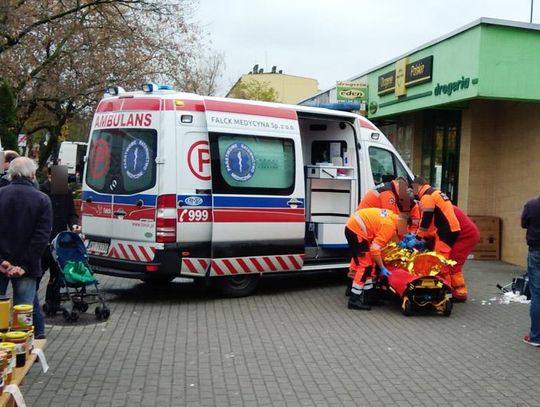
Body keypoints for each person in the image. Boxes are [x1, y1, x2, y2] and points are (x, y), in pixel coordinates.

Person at [0, 158, 52, 337]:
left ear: (11, 174)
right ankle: (26, 348)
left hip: (1, 264)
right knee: (23, 313)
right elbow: (41, 238)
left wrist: (2, 261)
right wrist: (23, 266)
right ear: (32, 174)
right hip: (27, 267)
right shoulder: (42, 199)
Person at [344, 207, 407, 310]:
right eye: (406, 229)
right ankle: (354, 300)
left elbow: (391, 236)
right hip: (356, 231)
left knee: (370, 265)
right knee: (365, 267)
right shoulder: (389, 225)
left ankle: (368, 297)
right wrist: (382, 267)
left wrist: (400, 242)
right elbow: (375, 249)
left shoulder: (392, 217)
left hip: (355, 228)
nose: (405, 232)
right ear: (403, 224)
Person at [40, 166, 80, 313]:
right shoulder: (41, 191)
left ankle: (53, 302)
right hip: (43, 240)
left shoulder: (67, 192)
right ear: (49, 176)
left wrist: (74, 224)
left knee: (57, 273)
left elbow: (71, 213)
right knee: (39, 271)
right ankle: (31, 300)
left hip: (59, 239)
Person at [411, 176, 461, 258]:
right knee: (439, 259)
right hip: (449, 229)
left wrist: (418, 237)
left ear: (417, 186)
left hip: (446, 231)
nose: (413, 191)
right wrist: (425, 237)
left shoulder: (427, 196)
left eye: (413, 188)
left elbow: (426, 219)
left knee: (439, 260)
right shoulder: (434, 193)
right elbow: (432, 220)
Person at [449, 206, 480, 301]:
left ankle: (460, 293)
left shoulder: (442, 209)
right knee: (450, 263)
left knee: (452, 264)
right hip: (463, 235)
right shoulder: (444, 206)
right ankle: (454, 290)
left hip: (465, 237)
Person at [521, 195, 540, 347]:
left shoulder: (531, 204)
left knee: (537, 294)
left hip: (536, 251)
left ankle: (536, 337)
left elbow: (524, 224)